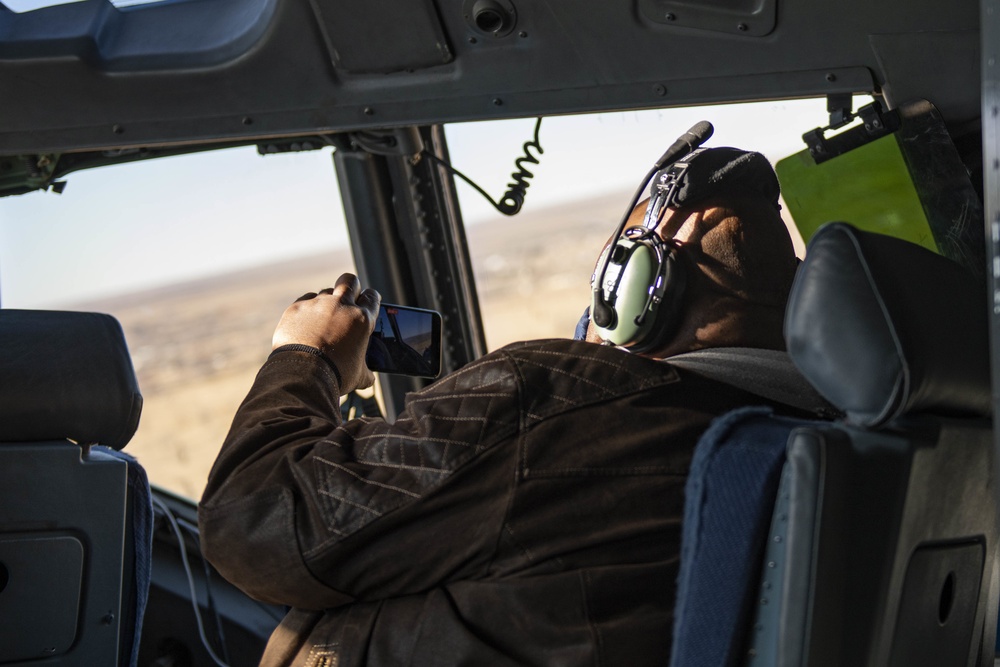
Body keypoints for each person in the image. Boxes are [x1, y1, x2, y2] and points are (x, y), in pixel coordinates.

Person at [198, 147, 808, 666]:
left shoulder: (557, 400)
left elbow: (254, 521)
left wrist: (310, 358)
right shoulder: (826, 434)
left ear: (629, 286)